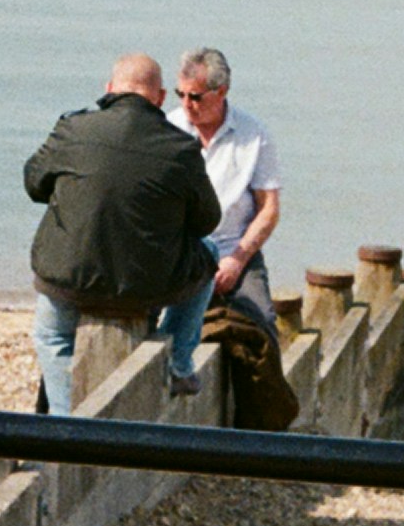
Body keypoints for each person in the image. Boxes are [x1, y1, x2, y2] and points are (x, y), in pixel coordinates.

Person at [25, 54, 222, 413]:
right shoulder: (181, 147)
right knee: (209, 250)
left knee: (53, 338)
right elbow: (207, 221)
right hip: (145, 287)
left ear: (109, 89)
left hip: (67, 278)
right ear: (160, 97)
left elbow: (34, 184)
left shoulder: (72, 129)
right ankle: (179, 362)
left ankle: (66, 423)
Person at [158, 43, 281, 340]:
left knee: (262, 324)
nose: (187, 104)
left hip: (234, 249)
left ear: (221, 91)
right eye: (180, 95)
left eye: (195, 97)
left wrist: (237, 259)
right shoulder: (167, 128)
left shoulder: (254, 134)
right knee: (156, 324)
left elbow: (269, 208)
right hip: (181, 251)